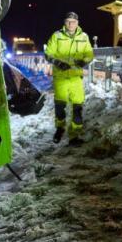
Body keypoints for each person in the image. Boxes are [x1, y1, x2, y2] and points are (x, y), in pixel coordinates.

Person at [45, 12, 94, 145]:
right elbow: (48, 53)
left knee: (78, 107)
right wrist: (57, 62)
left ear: (77, 23)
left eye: (73, 22)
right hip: (60, 77)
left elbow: (89, 54)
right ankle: (60, 128)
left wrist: (84, 62)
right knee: (60, 106)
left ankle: (74, 136)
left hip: (76, 78)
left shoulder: (84, 37)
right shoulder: (57, 36)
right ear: (64, 22)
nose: (70, 24)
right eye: (68, 21)